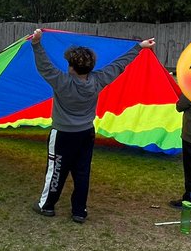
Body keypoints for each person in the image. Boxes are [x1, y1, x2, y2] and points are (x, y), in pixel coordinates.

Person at [29, 29, 156, 223]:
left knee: (56, 169)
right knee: (82, 172)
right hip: (86, 134)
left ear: (71, 67)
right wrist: (138, 48)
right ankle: (79, 211)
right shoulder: (97, 80)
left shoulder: (61, 81)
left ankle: (46, 206)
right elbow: (118, 65)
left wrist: (36, 43)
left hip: (63, 134)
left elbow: (44, 66)